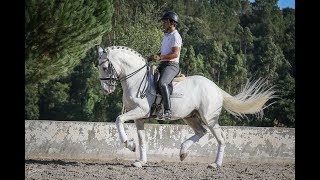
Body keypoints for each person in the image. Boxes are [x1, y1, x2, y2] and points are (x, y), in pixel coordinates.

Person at [150, 11, 182, 120]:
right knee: (151, 80)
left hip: (172, 66)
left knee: (163, 83)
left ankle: (168, 110)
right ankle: (157, 107)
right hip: (163, 65)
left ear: (172, 22)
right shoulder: (167, 36)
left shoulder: (175, 36)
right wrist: (156, 56)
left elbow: (175, 54)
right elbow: (164, 52)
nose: (163, 23)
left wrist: (161, 57)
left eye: (165, 21)